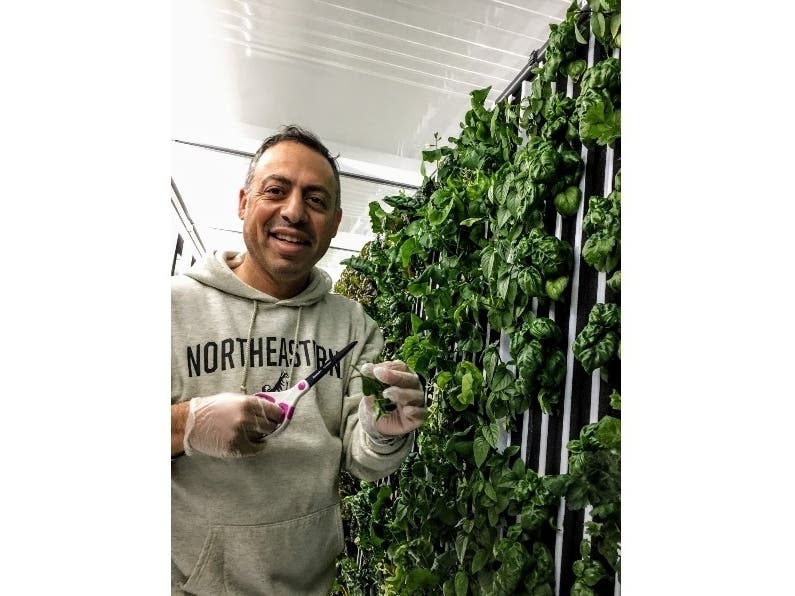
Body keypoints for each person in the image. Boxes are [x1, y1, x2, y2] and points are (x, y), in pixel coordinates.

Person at [170, 125, 428, 595]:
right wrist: (186, 423)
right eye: (276, 190)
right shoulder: (172, 308)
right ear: (244, 201)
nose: (294, 211)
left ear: (334, 221)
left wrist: (380, 432)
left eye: (315, 200)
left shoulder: (353, 325)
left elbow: (365, 462)